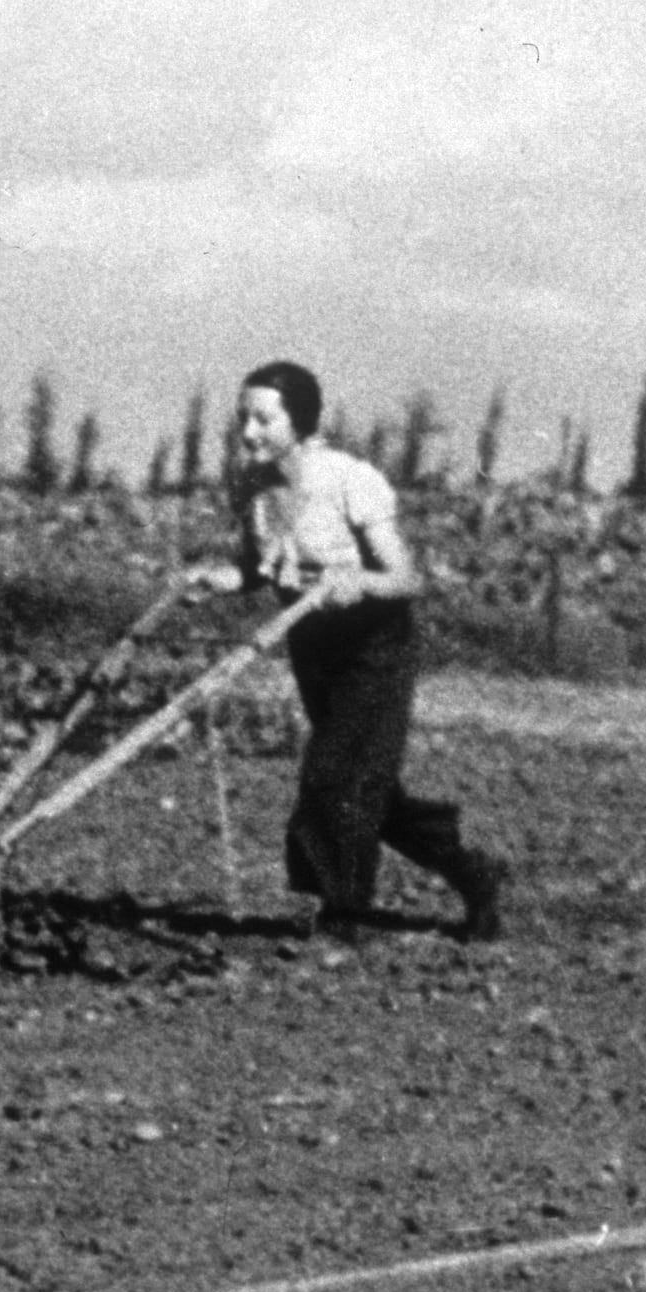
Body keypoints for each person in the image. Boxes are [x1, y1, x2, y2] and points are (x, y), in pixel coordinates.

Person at [206, 359, 508, 944]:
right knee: (367, 789)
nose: (248, 433)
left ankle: (342, 918)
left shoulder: (349, 480)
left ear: (299, 420)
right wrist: (218, 581)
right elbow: (255, 568)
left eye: (263, 420)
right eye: (244, 418)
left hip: (374, 647)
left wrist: (356, 583)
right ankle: (474, 871)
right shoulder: (254, 488)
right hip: (311, 645)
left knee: (334, 777)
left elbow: (404, 577)